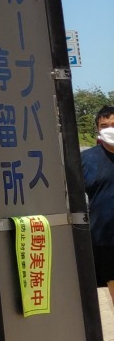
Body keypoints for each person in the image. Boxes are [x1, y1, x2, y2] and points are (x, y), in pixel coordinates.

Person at [82, 105, 114, 304]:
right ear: (98, 130)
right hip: (106, 242)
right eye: (104, 125)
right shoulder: (86, 160)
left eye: (113, 124)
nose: (109, 128)